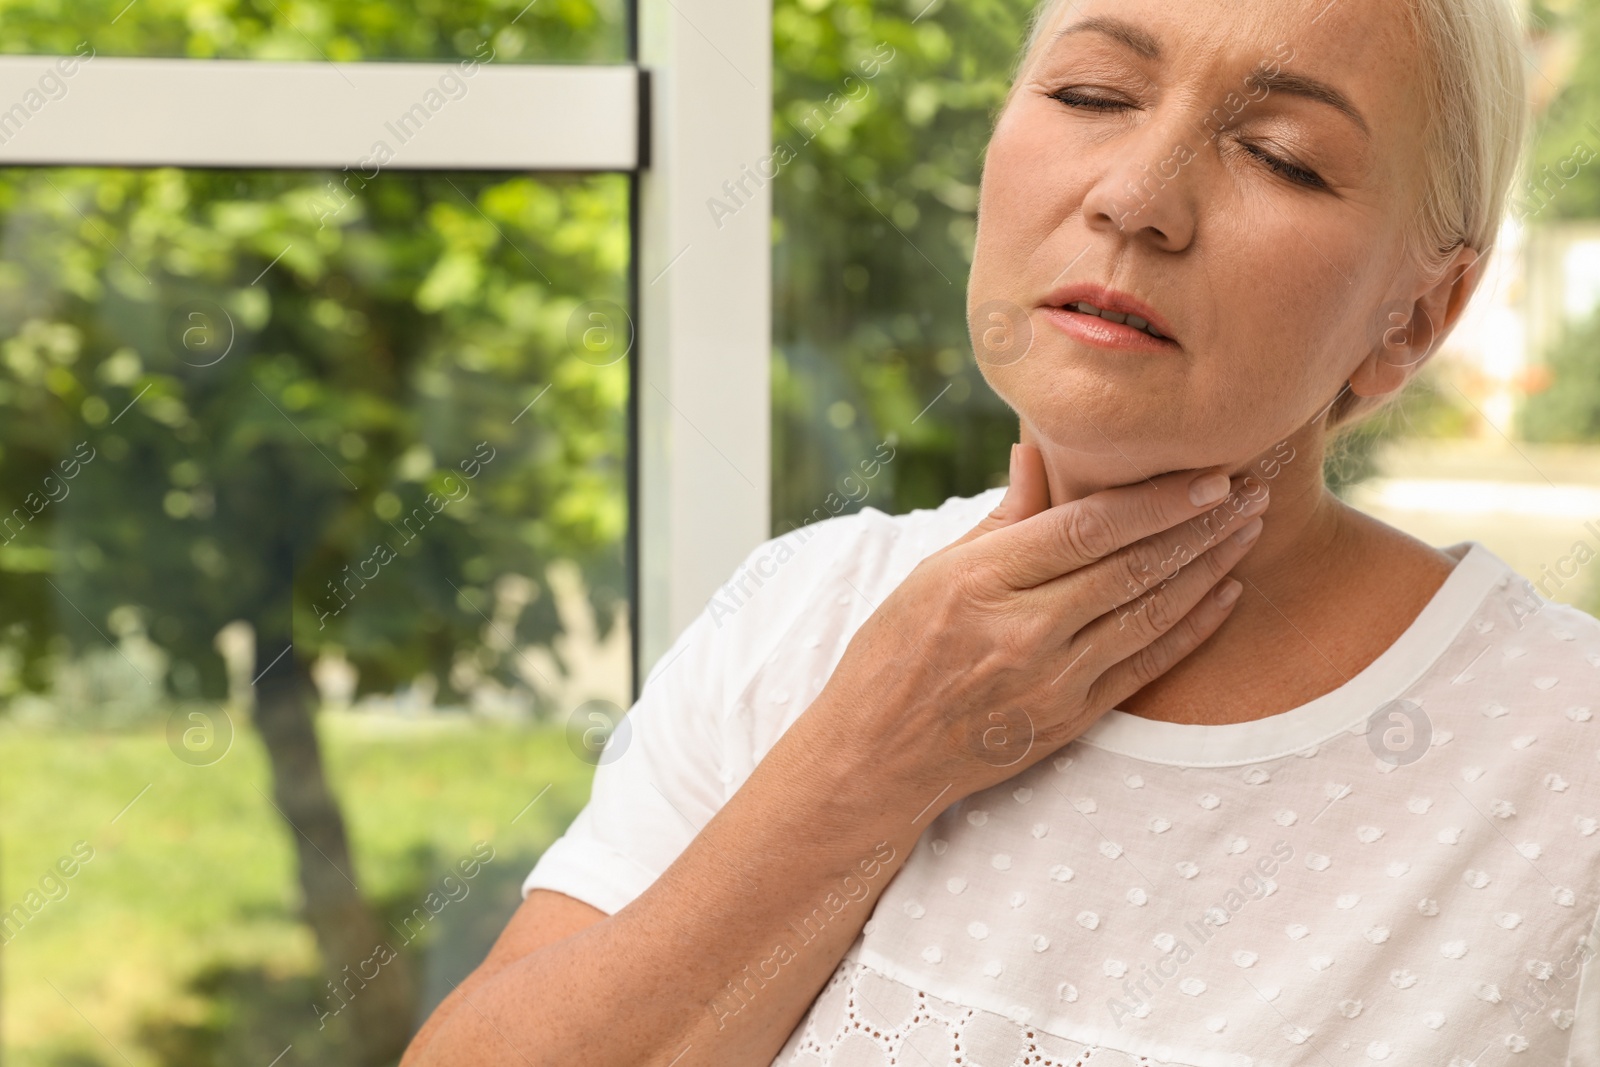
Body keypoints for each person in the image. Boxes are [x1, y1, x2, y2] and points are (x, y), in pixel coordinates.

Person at [403, 0, 1600, 1062]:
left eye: (1280, 157)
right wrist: (873, 757)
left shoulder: (1562, 758)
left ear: (1416, 315)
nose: (1134, 196)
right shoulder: (799, 610)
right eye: (1091, 95)